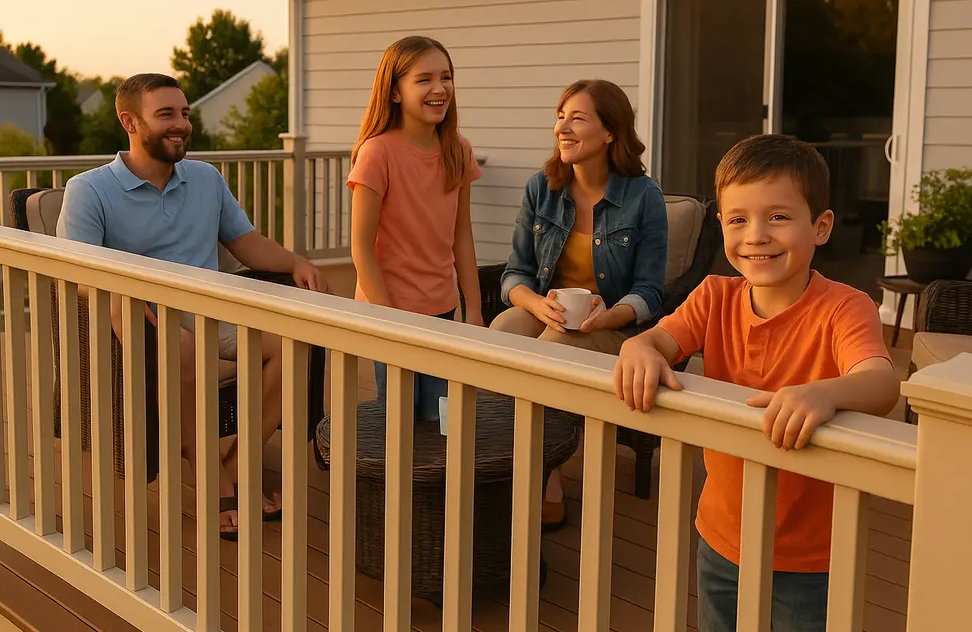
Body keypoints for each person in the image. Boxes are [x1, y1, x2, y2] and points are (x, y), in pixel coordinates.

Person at [612, 134, 899, 632]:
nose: (756, 236)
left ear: (821, 226)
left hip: (808, 552)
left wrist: (826, 391)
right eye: (738, 219)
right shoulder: (714, 296)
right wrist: (637, 347)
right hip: (721, 534)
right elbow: (658, 340)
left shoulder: (845, 307)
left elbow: (881, 382)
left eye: (779, 217)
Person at [57, 72, 329, 541]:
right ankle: (216, 484)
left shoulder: (206, 178)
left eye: (184, 113)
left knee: (295, 343)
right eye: (166, 114)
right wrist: (122, 292)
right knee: (181, 350)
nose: (181, 124)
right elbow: (75, 273)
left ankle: (238, 463)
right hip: (144, 315)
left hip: (215, 310)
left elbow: (246, 243)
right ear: (129, 121)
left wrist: (296, 263)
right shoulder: (90, 189)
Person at [492, 78, 668, 530]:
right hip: (549, 312)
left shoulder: (643, 195)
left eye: (577, 119)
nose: (562, 128)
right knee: (502, 333)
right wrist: (536, 304)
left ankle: (543, 473)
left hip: (612, 326)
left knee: (552, 349)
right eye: (560, 117)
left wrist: (610, 315)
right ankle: (508, 463)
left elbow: (651, 291)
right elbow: (514, 274)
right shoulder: (542, 188)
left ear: (609, 132)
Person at [347, 35, 483, 419]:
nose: (439, 88)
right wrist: (390, 321)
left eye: (446, 77)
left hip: (443, 308)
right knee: (401, 418)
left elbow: (462, 237)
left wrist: (474, 310)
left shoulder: (459, 149)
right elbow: (361, 248)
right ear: (394, 92)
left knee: (441, 418)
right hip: (390, 309)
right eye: (424, 79)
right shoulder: (377, 153)